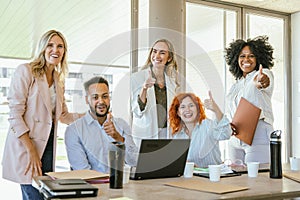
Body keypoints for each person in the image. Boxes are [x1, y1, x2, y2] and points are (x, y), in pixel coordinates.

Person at [1, 30, 84, 200]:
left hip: (47, 146)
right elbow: (15, 115)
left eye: (60, 46)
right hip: (27, 147)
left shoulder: (59, 80)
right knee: (33, 195)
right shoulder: (26, 71)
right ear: (42, 48)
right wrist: (31, 150)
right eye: (50, 45)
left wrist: (90, 116)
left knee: (45, 196)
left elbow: (63, 116)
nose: (55, 50)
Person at [64, 76, 138, 173]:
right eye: (95, 97)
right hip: (93, 186)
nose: (101, 101)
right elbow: (83, 172)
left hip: (120, 185)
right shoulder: (74, 130)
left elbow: (134, 162)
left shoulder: (122, 125)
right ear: (87, 100)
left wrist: (119, 139)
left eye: (104, 96)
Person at [225, 35, 275, 164]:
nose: (246, 59)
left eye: (251, 56)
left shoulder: (264, 73)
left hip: (258, 134)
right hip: (235, 138)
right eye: (242, 56)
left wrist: (261, 80)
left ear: (258, 58)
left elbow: (261, 81)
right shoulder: (236, 84)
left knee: (257, 179)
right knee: (236, 180)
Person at [131, 39, 180, 147]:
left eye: (162, 53)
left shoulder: (172, 83)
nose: (157, 56)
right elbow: (137, 110)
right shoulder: (137, 78)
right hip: (146, 134)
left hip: (166, 134)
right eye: (154, 51)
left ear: (169, 58)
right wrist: (144, 88)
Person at [169, 92, 231, 168]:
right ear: (178, 112)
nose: (187, 110)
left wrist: (216, 110)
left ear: (198, 109)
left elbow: (226, 134)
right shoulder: (177, 135)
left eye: (191, 105)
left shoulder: (207, 125)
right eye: (182, 107)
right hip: (191, 177)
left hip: (212, 176)